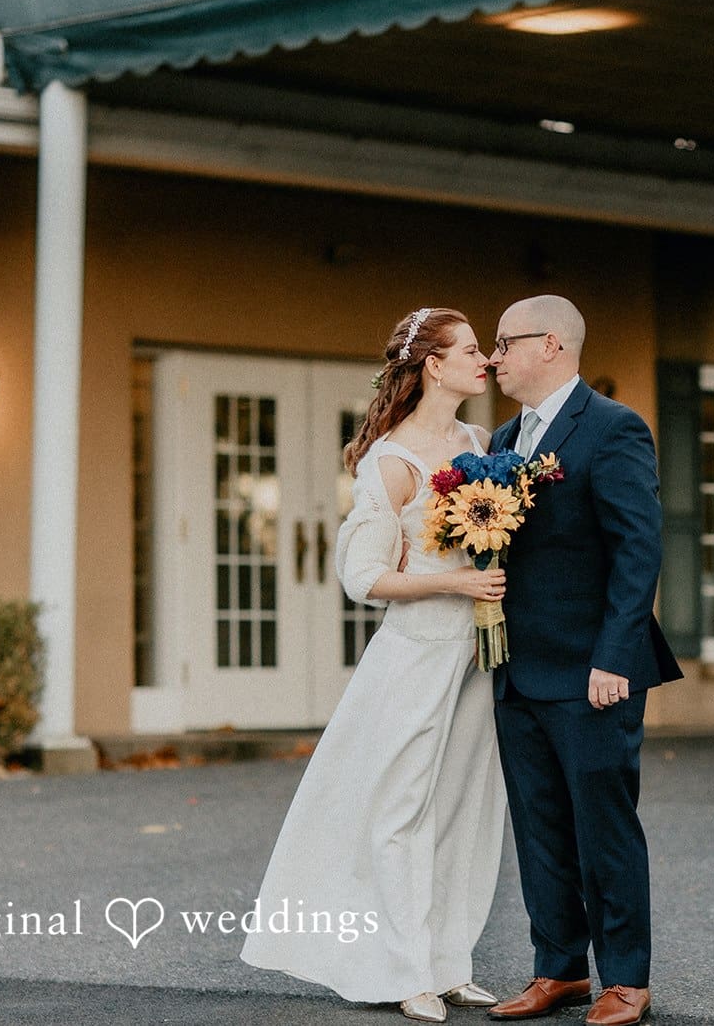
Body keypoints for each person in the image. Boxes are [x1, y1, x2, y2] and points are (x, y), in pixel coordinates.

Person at [240, 307, 508, 1024]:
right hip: (417, 655)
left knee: (465, 805)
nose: (485, 359)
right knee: (401, 811)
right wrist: (455, 582)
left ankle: (449, 961)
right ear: (435, 365)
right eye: (473, 349)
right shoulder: (391, 461)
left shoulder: (481, 443)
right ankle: (402, 967)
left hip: (478, 657)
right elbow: (363, 577)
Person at [484, 295, 683, 1026]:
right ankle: (559, 967)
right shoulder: (506, 437)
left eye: (506, 342)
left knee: (604, 824)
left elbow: (639, 550)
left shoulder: (613, 428)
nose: (495, 357)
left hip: (595, 673)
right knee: (539, 826)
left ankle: (626, 976)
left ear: (552, 345)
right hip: (519, 672)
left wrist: (614, 657)